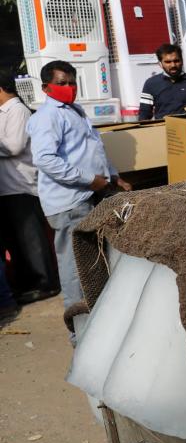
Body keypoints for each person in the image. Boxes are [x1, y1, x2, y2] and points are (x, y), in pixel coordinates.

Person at [26, 61, 131, 314]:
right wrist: (89, 179)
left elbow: (93, 148)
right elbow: (45, 160)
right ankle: (79, 329)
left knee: (95, 260)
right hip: (70, 201)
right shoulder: (47, 117)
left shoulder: (75, 110)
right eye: (62, 83)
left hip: (90, 194)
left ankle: (100, 317)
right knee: (75, 267)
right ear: (46, 87)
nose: (69, 87)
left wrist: (113, 177)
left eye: (72, 82)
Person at [0, 70, 60, 303]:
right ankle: (27, 285)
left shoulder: (18, 110)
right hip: (7, 188)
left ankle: (46, 283)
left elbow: (14, 146)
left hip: (21, 186)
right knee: (15, 242)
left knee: (31, 240)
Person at [138, 43, 186, 121]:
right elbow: (144, 114)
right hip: (163, 129)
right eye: (168, 62)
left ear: (182, 61)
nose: (173, 65)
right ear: (160, 64)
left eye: (176, 61)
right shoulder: (151, 84)